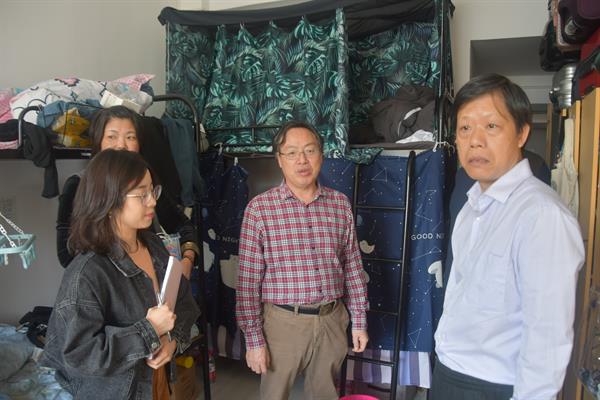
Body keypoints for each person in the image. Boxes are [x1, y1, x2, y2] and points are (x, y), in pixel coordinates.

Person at [431, 73, 585, 400]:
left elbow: (547, 338)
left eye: (491, 126)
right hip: (448, 372)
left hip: (493, 386)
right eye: (464, 128)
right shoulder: (470, 207)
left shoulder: (541, 215)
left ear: (521, 133)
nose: (475, 140)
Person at [41, 149, 200, 399]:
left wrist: (173, 343)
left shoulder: (154, 246)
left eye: (153, 190)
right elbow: (80, 355)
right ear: (109, 200)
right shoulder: (87, 273)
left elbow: (184, 304)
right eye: (142, 194)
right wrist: (148, 330)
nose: (152, 201)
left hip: (157, 385)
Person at [235, 121, 369, 400]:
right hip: (282, 324)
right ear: (279, 159)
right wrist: (254, 340)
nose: (302, 160)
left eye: (309, 150)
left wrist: (359, 321)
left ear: (321, 154)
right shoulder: (259, 209)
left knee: (324, 394)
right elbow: (248, 282)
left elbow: (353, 268)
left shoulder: (340, 204)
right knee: (274, 395)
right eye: (292, 152)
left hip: (332, 320)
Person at [56, 105, 199, 278]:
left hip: (153, 278)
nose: (121, 145)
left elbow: (181, 224)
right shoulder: (78, 185)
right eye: (112, 136)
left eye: (130, 137)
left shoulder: (147, 183)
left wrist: (187, 259)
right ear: (98, 141)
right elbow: (66, 254)